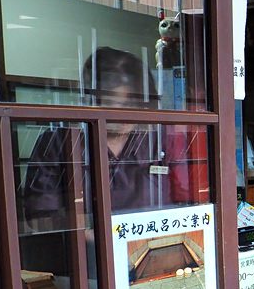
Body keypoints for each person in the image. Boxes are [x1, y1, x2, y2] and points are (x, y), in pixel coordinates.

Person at [23, 47, 190, 225]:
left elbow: (188, 202)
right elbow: (39, 217)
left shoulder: (159, 140)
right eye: (113, 103)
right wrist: (90, 234)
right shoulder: (58, 142)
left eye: (133, 104)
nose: (125, 114)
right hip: (89, 243)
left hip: (154, 240)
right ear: (90, 100)